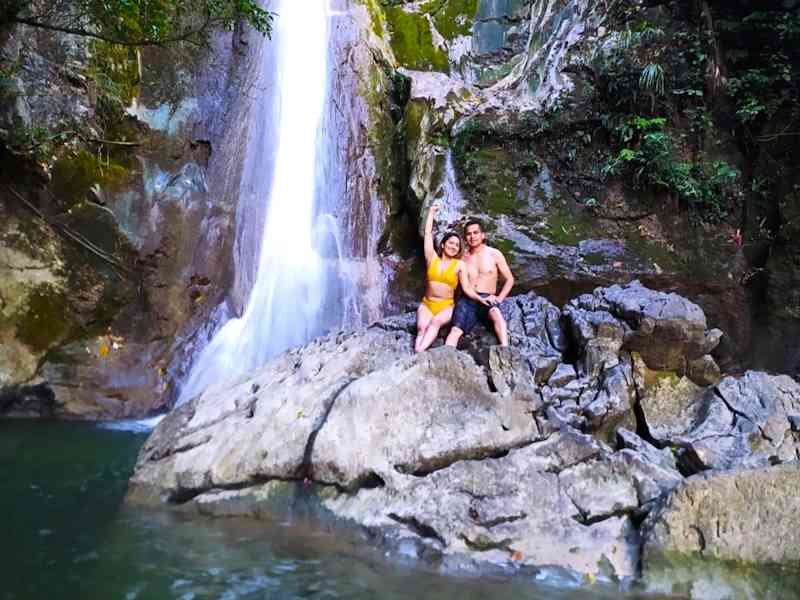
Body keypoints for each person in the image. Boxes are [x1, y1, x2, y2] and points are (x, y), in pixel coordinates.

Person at [416, 205, 489, 353]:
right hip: (427, 304)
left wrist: (480, 299)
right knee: (421, 328)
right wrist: (430, 212)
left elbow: (467, 288)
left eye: (457, 245)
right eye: (451, 243)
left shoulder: (460, 265)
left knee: (435, 323)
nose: (454, 247)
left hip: (446, 306)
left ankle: (418, 353)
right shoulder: (431, 258)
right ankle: (418, 350)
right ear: (443, 245)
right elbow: (428, 234)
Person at [445, 218, 515, 348]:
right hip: (467, 299)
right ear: (465, 237)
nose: (472, 237)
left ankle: (505, 350)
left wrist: (499, 299)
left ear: (483, 235)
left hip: (487, 298)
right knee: (455, 330)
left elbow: (510, 279)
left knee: (496, 314)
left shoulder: (494, 254)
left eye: (475, 233)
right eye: (469, 234)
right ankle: (445, 357)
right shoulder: (462, 257)